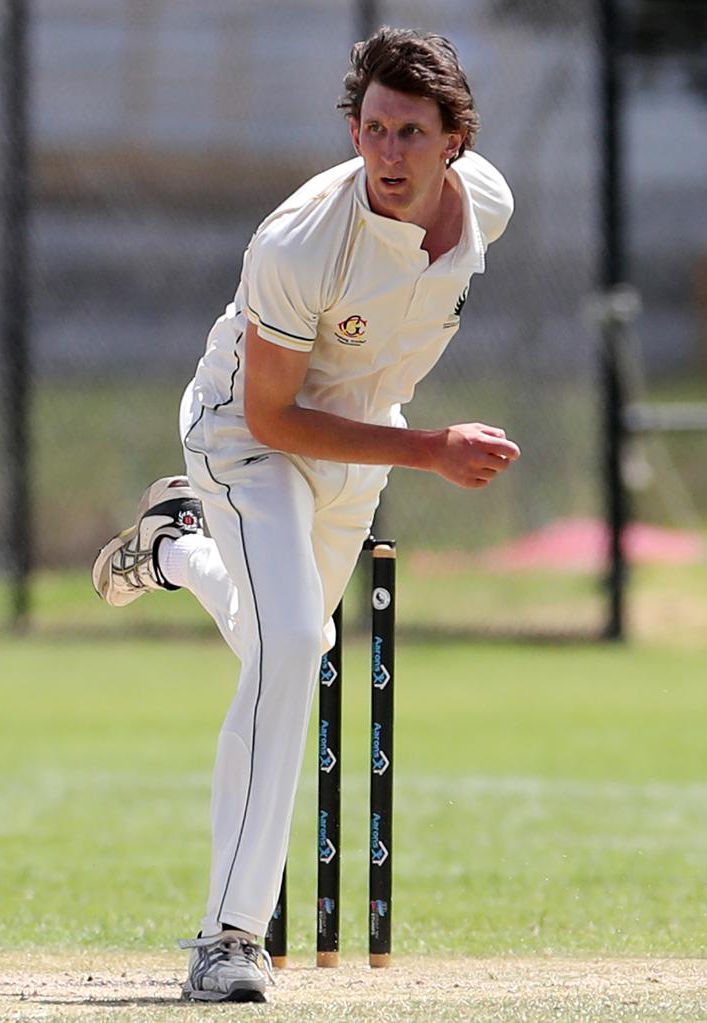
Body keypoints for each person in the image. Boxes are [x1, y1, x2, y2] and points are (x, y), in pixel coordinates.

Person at [92, 26, 520, 1003]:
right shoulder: (300, 239)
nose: (388, 154)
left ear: (456, 138)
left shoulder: (485, 203)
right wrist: (428, 450)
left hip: (358, 447)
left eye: (411, 132)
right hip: (246, 441)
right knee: (293, 643)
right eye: (373, 130)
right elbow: (274, 412)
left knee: (285, 643)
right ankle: (229, 937)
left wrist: (403, 441)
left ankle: (173, 548)